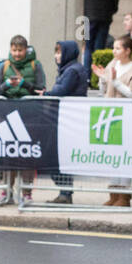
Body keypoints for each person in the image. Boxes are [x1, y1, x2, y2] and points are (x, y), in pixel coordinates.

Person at [0, 35, 47, 203]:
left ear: (26, 50)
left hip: (29, 116)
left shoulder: (35, 65)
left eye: (20, 50)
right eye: (14, 50)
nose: (16, 54)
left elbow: (41, 88)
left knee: (27, 155)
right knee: (8, 154)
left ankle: (26, 193)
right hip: (7, 116)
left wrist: (24, 84)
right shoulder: (4, 66)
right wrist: (7, 85)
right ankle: (6, 191)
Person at [42, 40, 89, 203]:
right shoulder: (67, 69)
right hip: (62, 119)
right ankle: (64, 191)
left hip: (66, 121)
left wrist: (46, 94)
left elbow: (60, 91)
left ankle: (65, 192)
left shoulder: (72, 71)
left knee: (56, 156)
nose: (57, 56)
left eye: (60, 52)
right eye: (56, 52)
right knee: (56, 156)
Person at [95, 35, 132, 206]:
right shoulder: (112, 64)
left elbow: (131, 93)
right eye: (114, 48)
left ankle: (124, 196)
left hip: (127, 118)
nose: (114, 51)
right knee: (113, 155)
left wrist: (116, 82)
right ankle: (113, 193)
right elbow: (104, 88)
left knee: (125, 155)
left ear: (127, 51)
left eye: (118, 48)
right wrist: (102, 79)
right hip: (111, 115)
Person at [83, 0, 122, 74]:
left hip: (87, 16)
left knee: (88, 47)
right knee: (99, 47)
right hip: (104, 16)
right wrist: (112, 10)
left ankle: (86, 75)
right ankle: (97, 76)